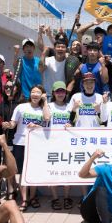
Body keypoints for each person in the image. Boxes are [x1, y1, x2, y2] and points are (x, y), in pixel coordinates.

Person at [4, 84, 51, 211]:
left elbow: (47, 119)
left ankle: (33, 197)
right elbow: (13, 124)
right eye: (33, 92)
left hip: (36, 144)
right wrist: (8, 125)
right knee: (22, 172)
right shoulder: (21, 107)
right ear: (29, 94)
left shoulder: (45, 108)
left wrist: (45, 102)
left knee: (33, 172)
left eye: (38, 92)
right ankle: (24, 199)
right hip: (20, 143)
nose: (35, 94)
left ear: (42, 95)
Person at [47, 81, 73, 210]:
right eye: (58, 91)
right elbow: (45, 119)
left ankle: (67, 197)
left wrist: (70, 125)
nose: (60, 94)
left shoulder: (70, 106)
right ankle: (55, 198)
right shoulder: (49, 106)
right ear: (53, 93)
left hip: (67, 144)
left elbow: (74, 122)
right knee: (53, 171)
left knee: (67, 171)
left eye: (62, 91)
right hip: (52, 143)